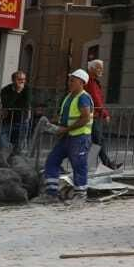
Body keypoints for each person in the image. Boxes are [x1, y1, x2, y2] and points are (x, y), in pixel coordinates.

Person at [41, 69, 94, 201]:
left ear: (81, 82)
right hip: (67, 137)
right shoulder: (69, 97)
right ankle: (51, 193)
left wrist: (64, 129)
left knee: (79, 165)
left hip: (79, 137)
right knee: (52, 161)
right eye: (70, 80)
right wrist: (53, 123)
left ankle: (80, 194)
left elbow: (85, 118)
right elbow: (65, 116)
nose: (69, 82)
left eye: (72, 80)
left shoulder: (83, 97)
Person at [85, 60, 122, 170]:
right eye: (98, 68)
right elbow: (96, 100)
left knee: (97, 140)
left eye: (101, 68)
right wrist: (105, 113)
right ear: (91, 69)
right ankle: (104, 164)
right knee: (98, 140)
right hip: (94, 115)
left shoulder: (93, 82)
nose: (101, 70)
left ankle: (91, 164)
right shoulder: (90, 82)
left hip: (95, 115)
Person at [0, 70, 31, 151]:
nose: (22, 81)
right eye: (19, 79)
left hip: (22, 120)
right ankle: (8, 155)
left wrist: (15, 104)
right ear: (13, 80)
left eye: (24, 79)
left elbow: (26, 104)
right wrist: (18, 91)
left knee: (20, 146)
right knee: (3, 142)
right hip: (8, 120)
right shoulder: (5, 90)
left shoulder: (27, 89)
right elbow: (7, 104)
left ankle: (15, 158)